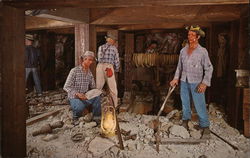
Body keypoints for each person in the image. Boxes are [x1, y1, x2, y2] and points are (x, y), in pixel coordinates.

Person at [170, 25, 213, 138]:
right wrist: (176, 78)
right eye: (189, 34)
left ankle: (205, 126)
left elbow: (209, 68)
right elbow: (179, 67)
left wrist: (204, 83)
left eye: (192, 35)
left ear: (198, 37)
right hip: (184, 80)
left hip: (197, 82)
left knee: (199, 104)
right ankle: (185, 121)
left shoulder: (202, 51)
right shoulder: (183, 51)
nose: (190, 37)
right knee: (185, 102)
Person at [64, 51, 101, 125]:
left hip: (85, 96)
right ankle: (75, 117)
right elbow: (66, 86)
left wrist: (97, 91)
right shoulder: (74, 71)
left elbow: (93, 86)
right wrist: (77, 94)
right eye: (89, 60)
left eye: (92, 60)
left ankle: (96, 117)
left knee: (97, 97)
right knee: (79, 107)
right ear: (84, 59)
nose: (91, 62)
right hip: (75, 96)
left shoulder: (89, 73)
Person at [96, 34, 120, 107]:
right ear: (112, 41)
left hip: (99, 66)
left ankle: (97, 105)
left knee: (98, 87)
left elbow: (99, 59)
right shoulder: (114, 49)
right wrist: (116, 69)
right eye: (114, 41)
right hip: (109, 67)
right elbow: (117, 61)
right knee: (112, 88)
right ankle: (115, 106)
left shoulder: (100, 47)